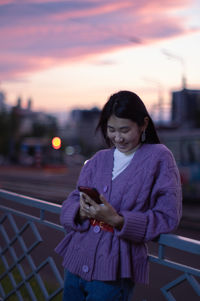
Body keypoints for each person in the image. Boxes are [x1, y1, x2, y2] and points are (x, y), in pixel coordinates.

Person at [55, 90, 182, 301]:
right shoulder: (98, 159)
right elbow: (72, 199)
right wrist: (81, 212)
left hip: (114, 269)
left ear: (143, 125)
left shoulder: (159, 158)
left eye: (125, 130)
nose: (117, 137)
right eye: (111, 129)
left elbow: (168, 216)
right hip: (75, 261)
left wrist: (118, 220)